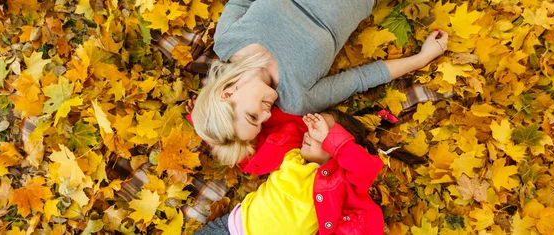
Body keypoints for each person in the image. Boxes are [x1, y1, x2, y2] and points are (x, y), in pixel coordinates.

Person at [190, 0, 449, 165]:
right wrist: (423, 58)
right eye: (262, 123)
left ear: (227, 94)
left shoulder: (227, 39)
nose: (267, 115)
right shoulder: (296, 99)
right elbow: (361, 78)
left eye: (252, 116)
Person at [194, 110, 393, 235]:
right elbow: (249, 148)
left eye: (321, 133)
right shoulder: (291, 154)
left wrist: (330, 138)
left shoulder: (340, 179)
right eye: (312, 128)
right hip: (230, 228)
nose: (310, 133)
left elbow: (365, 167)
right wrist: (206, 118)